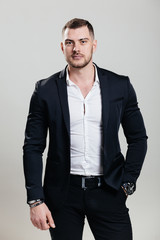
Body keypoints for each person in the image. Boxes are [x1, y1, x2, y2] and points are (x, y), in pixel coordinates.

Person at [23, 18, 148, 240]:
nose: (76, 48)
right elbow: (33, 147)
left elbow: (138, 138)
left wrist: (127, 183)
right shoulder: (45, 90)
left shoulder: (120, 86)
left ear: (94, 44)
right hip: (63, 194)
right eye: (70, 42)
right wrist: (36, 200)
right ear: (63, 47)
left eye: (83, 41)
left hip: (109, 190)